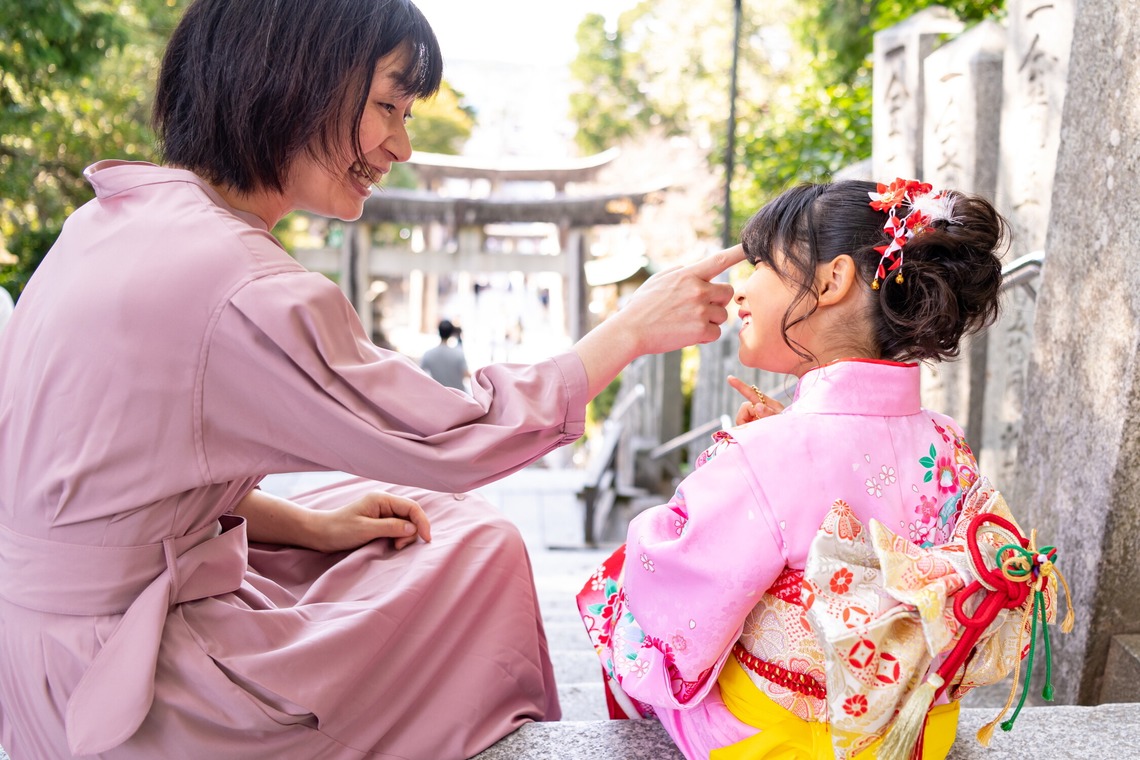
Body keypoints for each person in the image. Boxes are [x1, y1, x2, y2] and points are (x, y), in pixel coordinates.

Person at [0, 1, 744, 758]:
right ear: (291, 80)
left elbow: (121, 487)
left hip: (36, 651)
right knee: (477, 549)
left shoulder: (108, 220)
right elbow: (458, 438)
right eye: (388, 105)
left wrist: (310, 526)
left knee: (434, 523)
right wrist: (631, 330)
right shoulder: (242, 283)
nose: (402, 144)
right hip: (127, 689)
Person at [577, 179, 1066, 758]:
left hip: (792, 739)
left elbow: (678, 589)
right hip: (919, 728)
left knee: (620, 582)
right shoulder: (945, 438)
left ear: (833, 281)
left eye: (762, 264)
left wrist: (735, 461)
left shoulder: (766, 453)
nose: (740, 290)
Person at [420, 318, 470, 391]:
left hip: (438, 394)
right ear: (451, 333)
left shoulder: (428, 354)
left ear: (439, 331)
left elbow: (420, 373)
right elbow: (466, 374)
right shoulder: (458, 353)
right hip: (457, 395)